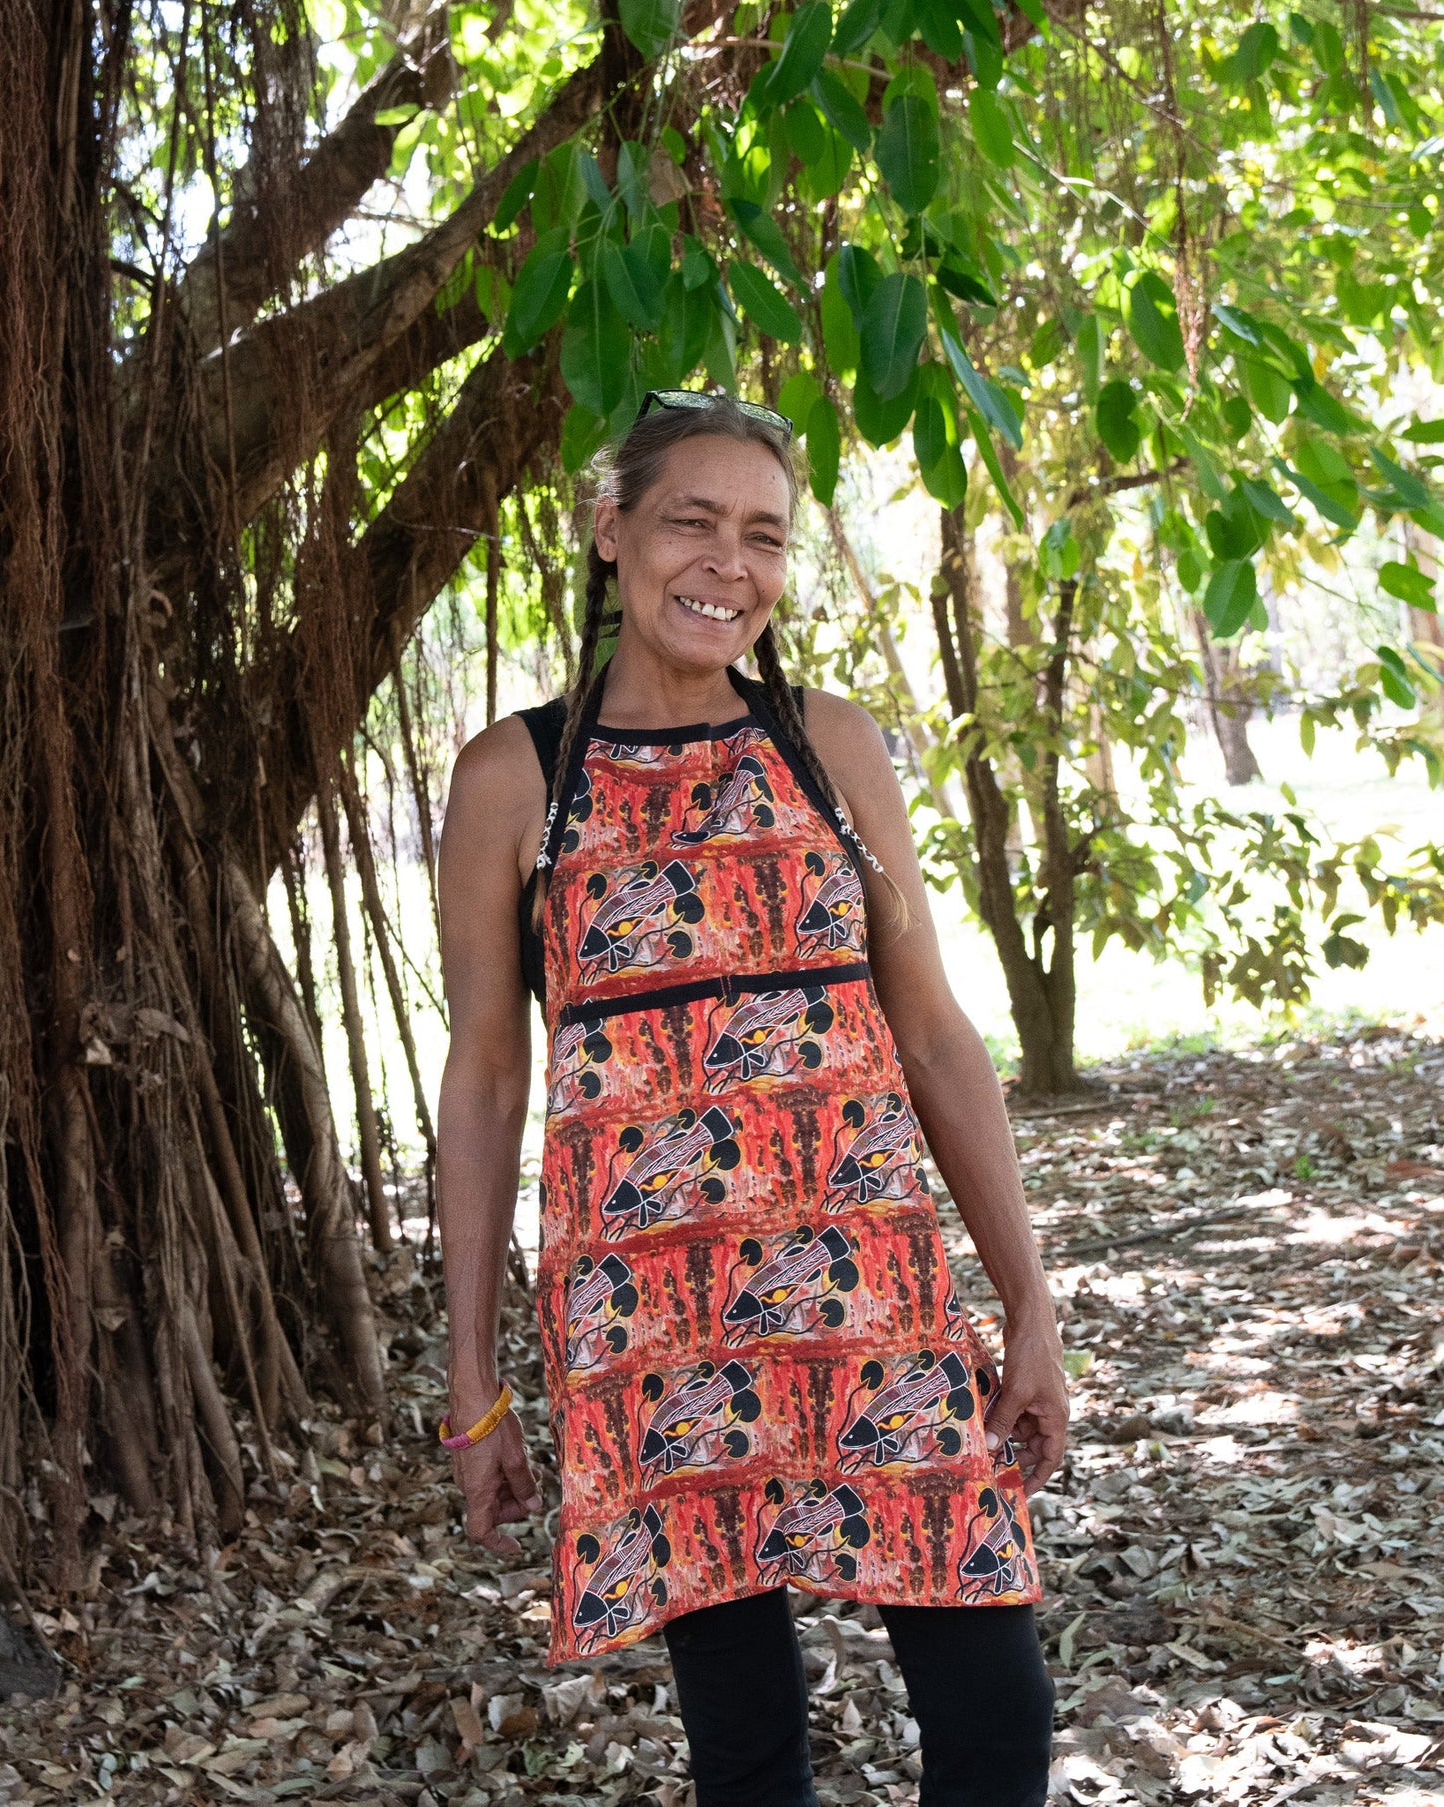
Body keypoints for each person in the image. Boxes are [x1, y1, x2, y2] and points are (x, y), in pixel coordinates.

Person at [435, 388, 1068, 1807]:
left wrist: (1027, 1301)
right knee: (745, 1742)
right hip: (654, 1317)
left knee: (994, 1708)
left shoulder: (827, 745)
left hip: (872, 1296)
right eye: (691, 522)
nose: (729, 564)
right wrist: (474, 1383)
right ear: (610, 531)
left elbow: (931, 1032)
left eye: (766, 536)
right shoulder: (514, 780)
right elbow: (482, 1081)